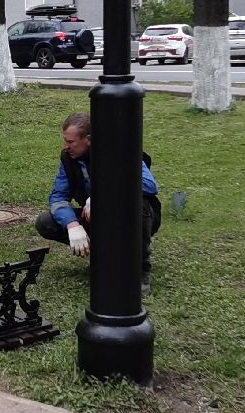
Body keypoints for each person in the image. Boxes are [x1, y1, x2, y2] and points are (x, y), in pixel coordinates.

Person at [35, 111, 161, 295]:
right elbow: (58, 197)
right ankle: (106, 258)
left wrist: (104, 194)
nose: (66, 147)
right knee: (45, 222)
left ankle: (139, 271)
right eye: (65, 141)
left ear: (89, 140)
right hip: (97, 219)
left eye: (71, 142)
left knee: (137, 202)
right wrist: (72, 225)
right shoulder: (68, 159)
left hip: (134, 217)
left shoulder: (121, 150)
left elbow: (150, 186)